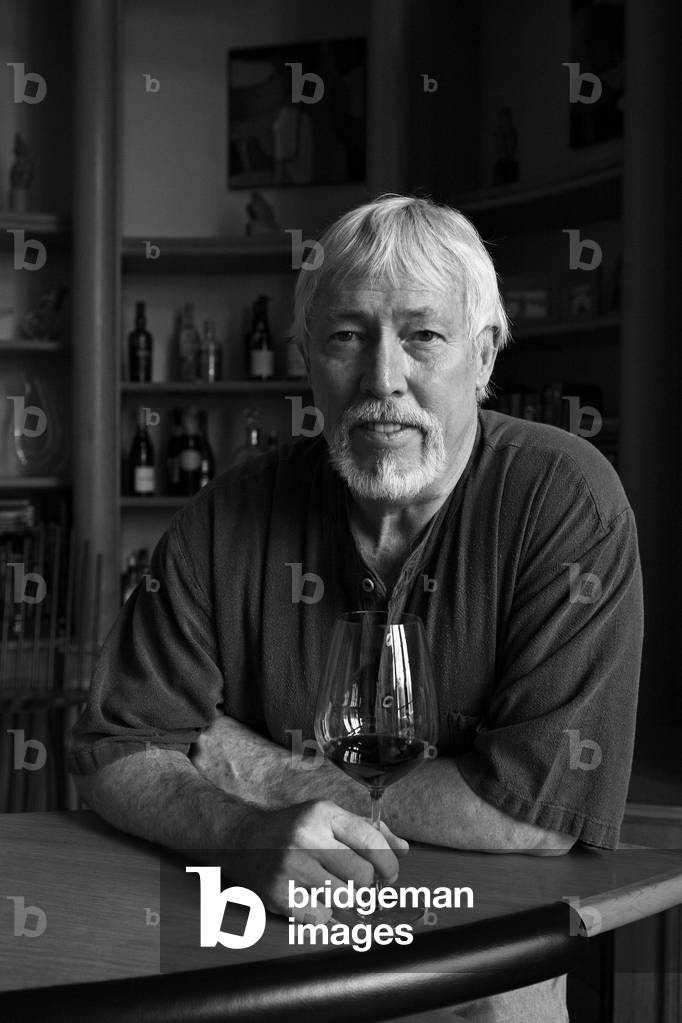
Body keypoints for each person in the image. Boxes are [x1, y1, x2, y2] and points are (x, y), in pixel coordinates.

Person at [68, 195, 642, 1022]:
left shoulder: (567, 501)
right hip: (263, 957)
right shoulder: (230, 513)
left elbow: (533, 811)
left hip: (479, 971)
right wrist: (236, 834)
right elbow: (114, 749)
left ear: (484, 355)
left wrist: (255, 764)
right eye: (346, 336)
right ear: (306, 354)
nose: (382, 380)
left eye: (423, 336)